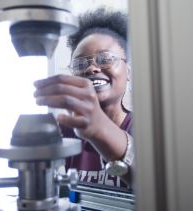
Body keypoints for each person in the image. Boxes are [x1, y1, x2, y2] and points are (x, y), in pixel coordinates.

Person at [34, 8, 133, 188]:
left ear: (128, 71)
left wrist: (98, 129)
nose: (91, 69)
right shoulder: (68, 131)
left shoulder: (146, 130)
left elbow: (158, 185)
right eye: (80, 64)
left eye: (105, 59)